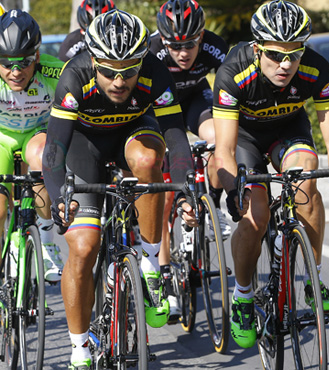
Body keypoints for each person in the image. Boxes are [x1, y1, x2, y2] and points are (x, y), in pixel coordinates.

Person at [42, 9, 195, 369]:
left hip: (133, 133)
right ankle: (79, 346)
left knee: (147, 160)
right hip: (85, 146)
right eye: (109, 70)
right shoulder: (74, 75)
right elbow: (53, 152)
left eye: (129, 70)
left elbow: (175, 137)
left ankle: (149, 259)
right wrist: (59, 195)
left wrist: (187, 187)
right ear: (93, 60)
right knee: (83, 247)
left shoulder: (156, 74)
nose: (119, 81)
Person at [212, 0, 329, 349]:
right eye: (276, 55)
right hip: (246, 138)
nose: (285, 64)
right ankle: (244, 296)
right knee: (257, 214)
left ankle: (314, 278)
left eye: (294, 54)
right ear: (256, 48)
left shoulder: (317, 69)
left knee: (306, 180)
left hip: (288, 132)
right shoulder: (233, 73)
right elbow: (225, 150)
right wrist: (237, 190)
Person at [150, 0, 230, 322]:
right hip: (159, 108)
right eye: (176, 46)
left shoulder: (216, 47)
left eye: (191, 44)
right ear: (163, 40)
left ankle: (214, 205)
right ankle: (167, 274)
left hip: (196, 99)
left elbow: (231, 89)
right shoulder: (151, 51)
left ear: (202, 36)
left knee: (217, 139)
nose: (183, 53)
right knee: (167, 196)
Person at [0, 9, 65, 283]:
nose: (15, 72)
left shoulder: (55, 71)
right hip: (2, 138)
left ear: (37, 56)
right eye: (6, 63)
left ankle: (47, 236)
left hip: (36, 134)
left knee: (42, 157)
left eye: (24, 62)